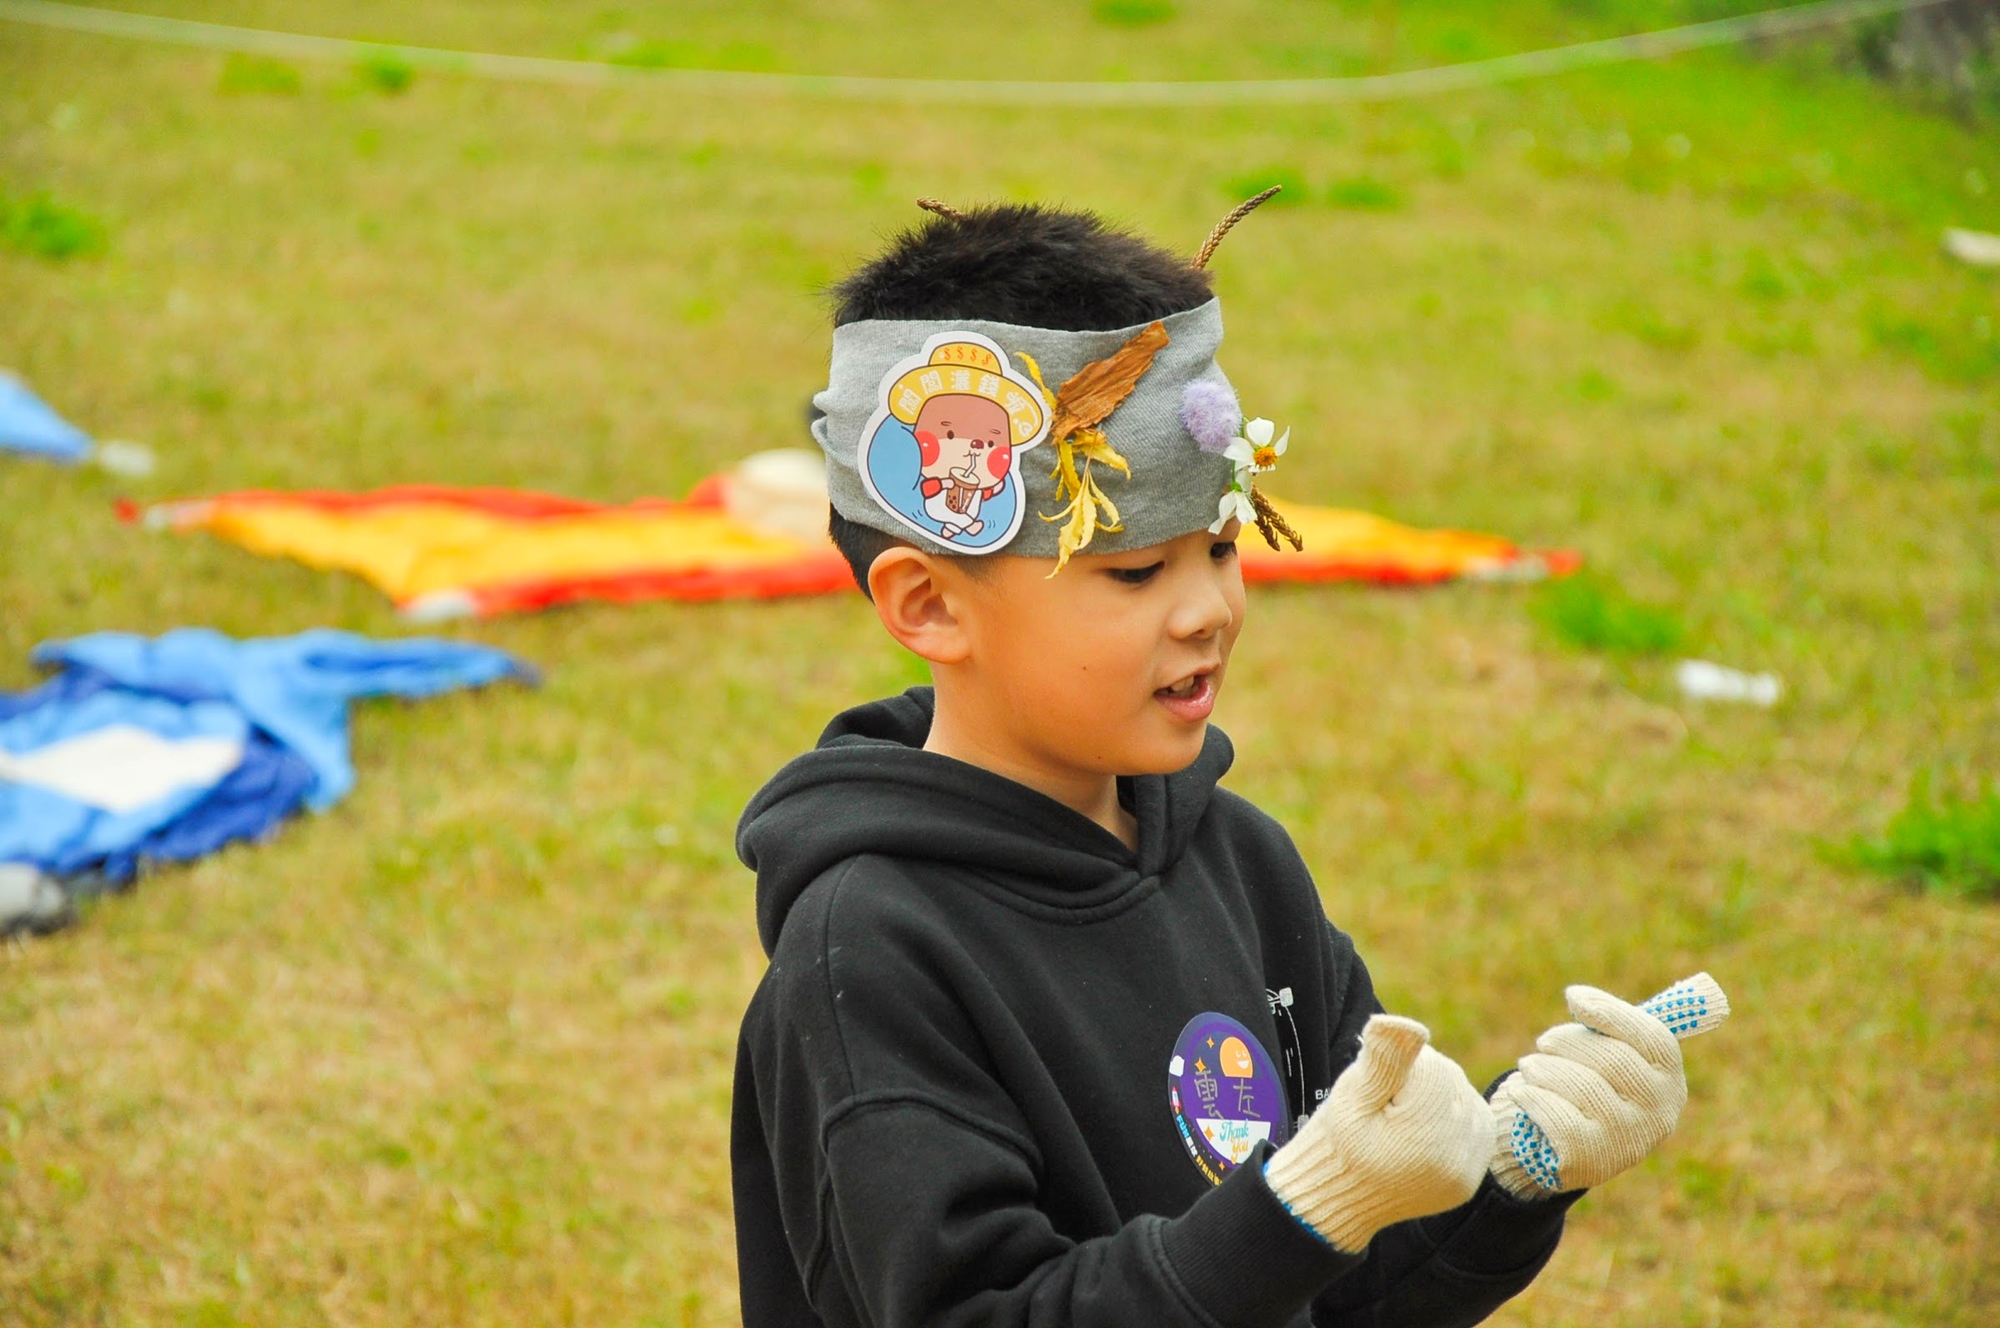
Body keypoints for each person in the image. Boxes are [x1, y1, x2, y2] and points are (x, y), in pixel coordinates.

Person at [731, 199, 1697, 1327]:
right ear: (930, 603)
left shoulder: (1243, 865)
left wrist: (1509, 1169)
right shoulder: (870, 949)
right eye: (1136, 572)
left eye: (1224, 543)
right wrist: (1299, 1208)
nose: (1209, 609)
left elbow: (1339, 1285)